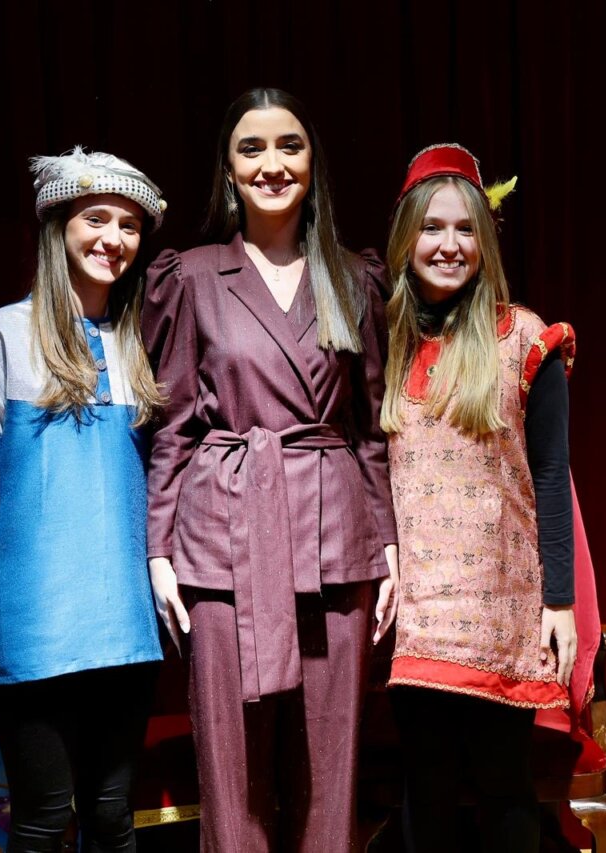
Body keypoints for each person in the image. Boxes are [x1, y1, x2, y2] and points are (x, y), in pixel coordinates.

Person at [141, 87, 398, 852]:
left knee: (330, 768)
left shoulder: (354, 278)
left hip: (334, 535)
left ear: (313, 163)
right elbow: (175, 422)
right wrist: (157, 546)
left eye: (289, 145)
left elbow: (373, 425)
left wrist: (389, 541)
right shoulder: (190, 275)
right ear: (228, 170)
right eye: (251, 149)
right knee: (232, 772)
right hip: (222, 539)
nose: (272, 163)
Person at [0, 146, 167, 852]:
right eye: (96, 218)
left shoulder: (139, 344)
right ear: (57, 225)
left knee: (113, 813)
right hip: (31, 629)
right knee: (41, 817)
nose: (112, 239)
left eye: (128, 225)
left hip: (124, 625)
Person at [379, 144, 578, 852]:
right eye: (433, 227)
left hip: (500, 605)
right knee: (427, 789)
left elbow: (552, 477)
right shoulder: (385, 342)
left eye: (465, 229)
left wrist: (561, 602)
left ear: (485, 240)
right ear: (407, 237)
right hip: (423, 613)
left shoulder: (523, 338)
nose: (449, 244)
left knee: (503, 790)